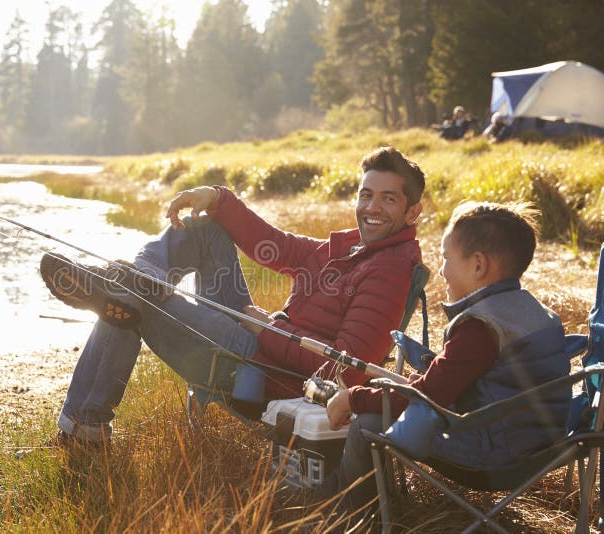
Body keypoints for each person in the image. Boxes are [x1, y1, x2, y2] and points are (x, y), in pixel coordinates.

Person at [41, 146, 425, 445]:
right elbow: (275, 244)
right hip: (260, 342)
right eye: (366, 195)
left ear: (413, 211)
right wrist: (215, 197)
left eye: (388, 199)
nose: (372, 207)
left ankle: (84, 425)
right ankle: (143, 276)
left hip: (267, 369)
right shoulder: (346, 249)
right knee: (207, 231)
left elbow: (344, 370)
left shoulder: (388, 271)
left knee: (129, 299)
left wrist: (265, 330)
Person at [325, 201, 571, 511]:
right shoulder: (538, 313)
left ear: (478, 265)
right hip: (543, 448)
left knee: (367, 424)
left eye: (445, 258)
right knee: (393, 399)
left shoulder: (481, 327)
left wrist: (352, 398)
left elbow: (429, 398)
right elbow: (474, 383)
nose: (441, 270)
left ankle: (349, 516)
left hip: (492, 457)